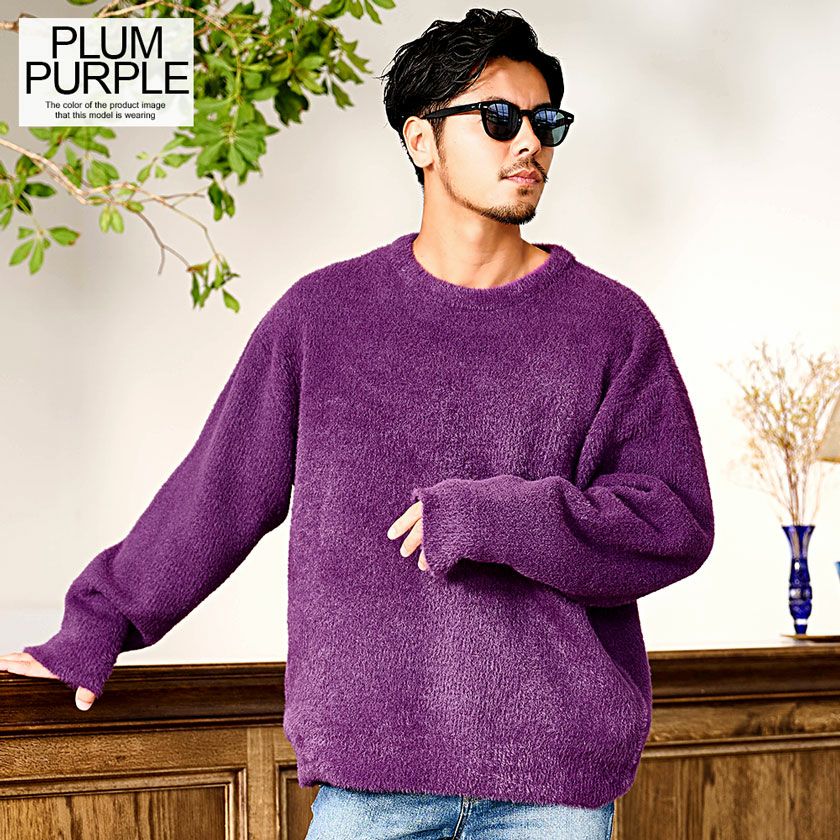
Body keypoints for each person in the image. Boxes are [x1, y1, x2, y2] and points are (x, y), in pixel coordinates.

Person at [2, 8, 715, 840]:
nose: (529, 142)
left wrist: (498, 516)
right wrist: (97, 624)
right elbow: (220, 490)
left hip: (550, 787)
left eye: (545, 122)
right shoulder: (324, 316)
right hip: (370, 781)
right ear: (420, 139)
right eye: (498, 118)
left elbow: (673, 522)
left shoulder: (610, 326)